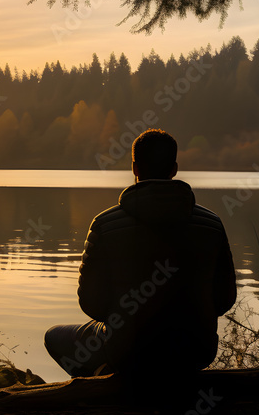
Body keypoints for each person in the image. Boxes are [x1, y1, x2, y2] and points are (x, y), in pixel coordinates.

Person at [44, 128, 237, 378]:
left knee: (53, 336)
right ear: (175, 168)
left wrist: (126, 318)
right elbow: (225, 298)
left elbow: (91, 302)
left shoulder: (104, 224)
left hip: (127, 351)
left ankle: (105, 388)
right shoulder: (212, 224)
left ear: (134, 168)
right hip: (196, 350)